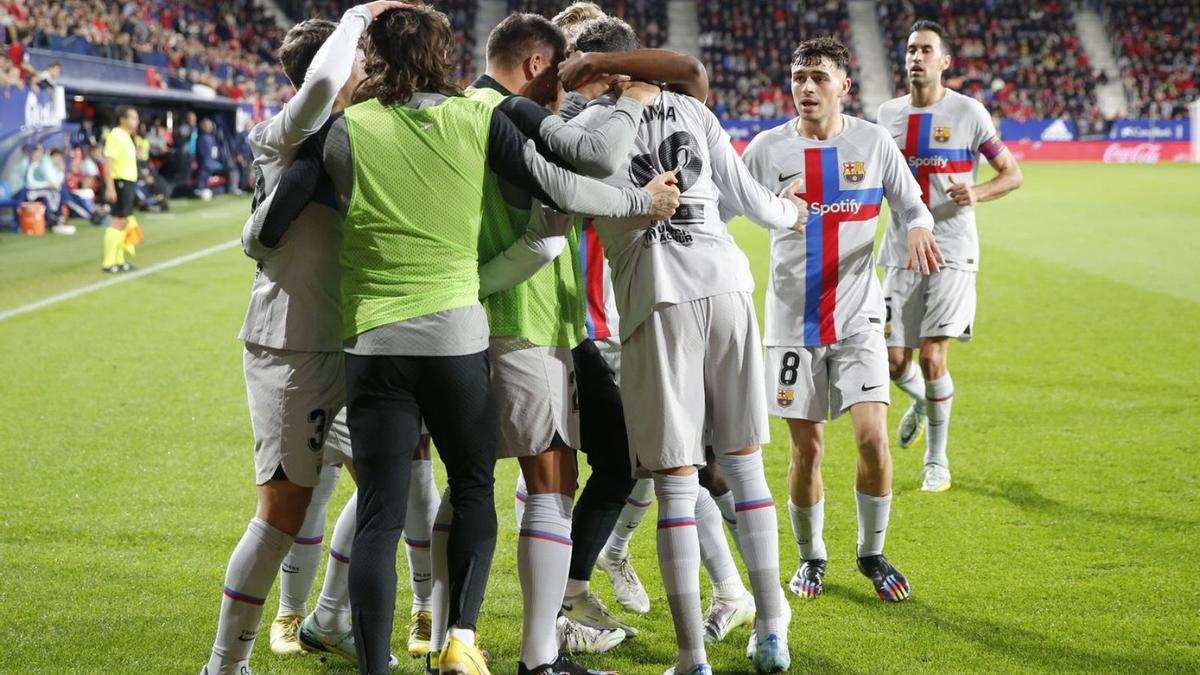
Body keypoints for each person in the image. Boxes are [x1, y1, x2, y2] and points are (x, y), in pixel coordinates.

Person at [259, 6, 679, 673]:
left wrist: (260, 238)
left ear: (375, 57)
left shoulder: (346, 128)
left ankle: (374, 660)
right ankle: (458, 639)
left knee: (380, 510)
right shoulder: (477, 118)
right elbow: (561, 185)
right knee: (476, 484)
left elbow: (273, 222)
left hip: (374, 342)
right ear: (440, 55)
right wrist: (640, 201)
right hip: (460, 331)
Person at [569, 16, 806, 675]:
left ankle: (692, 657)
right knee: (745, 465)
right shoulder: (695, 112)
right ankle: (771, 629)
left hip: (657, 300)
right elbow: (756, 203)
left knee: (676, 484)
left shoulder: (587, 128)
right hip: (729, 287)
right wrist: (792, 211)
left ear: (605, 72)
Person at [199, 4, 410, 674]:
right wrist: (356, 15)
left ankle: (327, 617)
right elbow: (320, 89)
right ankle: (223, 665)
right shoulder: (284, 132)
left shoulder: (362, 132)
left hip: (357, 341)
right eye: (358, 57)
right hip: (292, 345)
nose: (367, 67)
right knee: (282, 510)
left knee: (391, 488)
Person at [549, 4, 757, 648]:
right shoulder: (571, 123)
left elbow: (684, 73)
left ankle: (720, 591)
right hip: (599, 317)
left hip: (639, 304)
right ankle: (579, 594)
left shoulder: (631, 108)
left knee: (674, 463)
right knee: (656, 464)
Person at [742, 36, 942, 605]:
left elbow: (911, 205)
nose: (807, 87)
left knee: (873, 439)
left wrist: (922, 226)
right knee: (807, 451)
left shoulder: (873, 143)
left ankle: (871, 552)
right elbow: (725, 204)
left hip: (857, 315)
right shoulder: (765, 149)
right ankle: (812, 557)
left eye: (819, 77)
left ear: (844, 86)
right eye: (799, 75)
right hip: (790, 321)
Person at [876, 20, 1023, 492]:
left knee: (934, 355)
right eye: (911, 50)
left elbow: (1012, 174)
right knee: (894, 360)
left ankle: (935, 461)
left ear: (945, 61)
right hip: (900, 249)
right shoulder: (886, 116)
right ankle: (921, 401)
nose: (916, 57)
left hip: (953, 250)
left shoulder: (969, 112)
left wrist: (975, 192)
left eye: (926, 50)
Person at [102, 106, 139, 273]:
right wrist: (110, 187)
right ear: (122, 119)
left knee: (124, 221)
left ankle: (119, 259)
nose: (136, 121)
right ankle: (109, 262)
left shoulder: (127, 136)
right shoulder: (116, 135)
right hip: (120, 182)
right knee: (117, 220)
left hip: (129, 181)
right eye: (133, 117)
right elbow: (108, 162)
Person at [26, 147, 73, 234]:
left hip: (45, 191)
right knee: (48, 197)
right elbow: (31, 184)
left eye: (39, 152)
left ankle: (57, 218)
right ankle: (52, 220)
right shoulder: (36, 165)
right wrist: (49, 184)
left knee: (62, 193)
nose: (37, 155)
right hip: (32, 192)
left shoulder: (47, 166)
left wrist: (61, 171)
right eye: (35, 153)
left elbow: (56, 184)